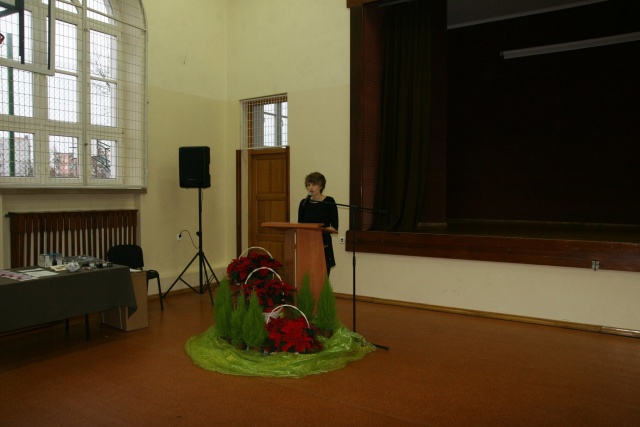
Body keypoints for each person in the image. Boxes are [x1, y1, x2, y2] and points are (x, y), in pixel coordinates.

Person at [298, 172, 339, 276]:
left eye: (314, 184)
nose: (310, 188)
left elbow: (334, 227)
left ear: (321, 186)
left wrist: (318, 231)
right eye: (308, 185)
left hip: (323, 244)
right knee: (308, 277)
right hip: (308, 244)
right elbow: (300, 225)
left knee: (323, 277)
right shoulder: (304, 203)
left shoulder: (329, 201)